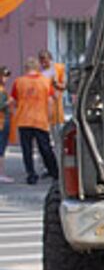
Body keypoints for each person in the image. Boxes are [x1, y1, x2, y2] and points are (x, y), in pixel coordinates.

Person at [9, 57, 59, 185]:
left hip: (24, 120)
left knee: (27, 150)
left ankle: (31, 175)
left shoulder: (19, 82)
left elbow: (13, 101)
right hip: (40, 120)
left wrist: (16, 111)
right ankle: (54, 172)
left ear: (26, 68)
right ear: (37, 68)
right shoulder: (45, 81)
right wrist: (49, 117)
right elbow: (50, 101)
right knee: (45, 148)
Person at [38, 49, 66, 126]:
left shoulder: (59, 68)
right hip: (44, 108)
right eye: (41, 62)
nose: (43, 64)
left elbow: (64, 86)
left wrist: (56, 85)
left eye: (45, 61)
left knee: (57, 130)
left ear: (50, 59)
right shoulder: (39, 72)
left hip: (56, 106)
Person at [0, 67, 12, 183]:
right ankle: (1, 173)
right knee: (1, 149)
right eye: (4, 76)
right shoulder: (1, 91)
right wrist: (9, 102)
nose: (5, 78)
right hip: (2, 122)